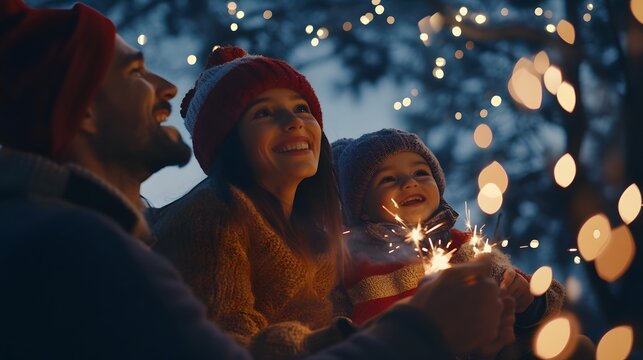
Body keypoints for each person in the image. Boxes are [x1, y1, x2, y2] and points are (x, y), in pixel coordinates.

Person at [0, 1, 512, 358]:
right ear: (84, 110)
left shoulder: (318, 232)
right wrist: (422, 331)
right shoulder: (81, 244)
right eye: (135, 73)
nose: (164, 86)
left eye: (302, 109)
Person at [149, 47, 515, 359]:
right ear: (226, 141)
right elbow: (227, 346)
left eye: (302, 109)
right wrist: (376, 336)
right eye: (263, 112)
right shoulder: (214, 218)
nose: (293, 121)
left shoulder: (317, 231)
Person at [333, 129, 566, 357]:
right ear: (360, 207)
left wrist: (526, 299)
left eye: (421, 173)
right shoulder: (350, 263)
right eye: (388, 179)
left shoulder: (460, 245)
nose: (409, 183)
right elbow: (332, 330)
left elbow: (535, 296)